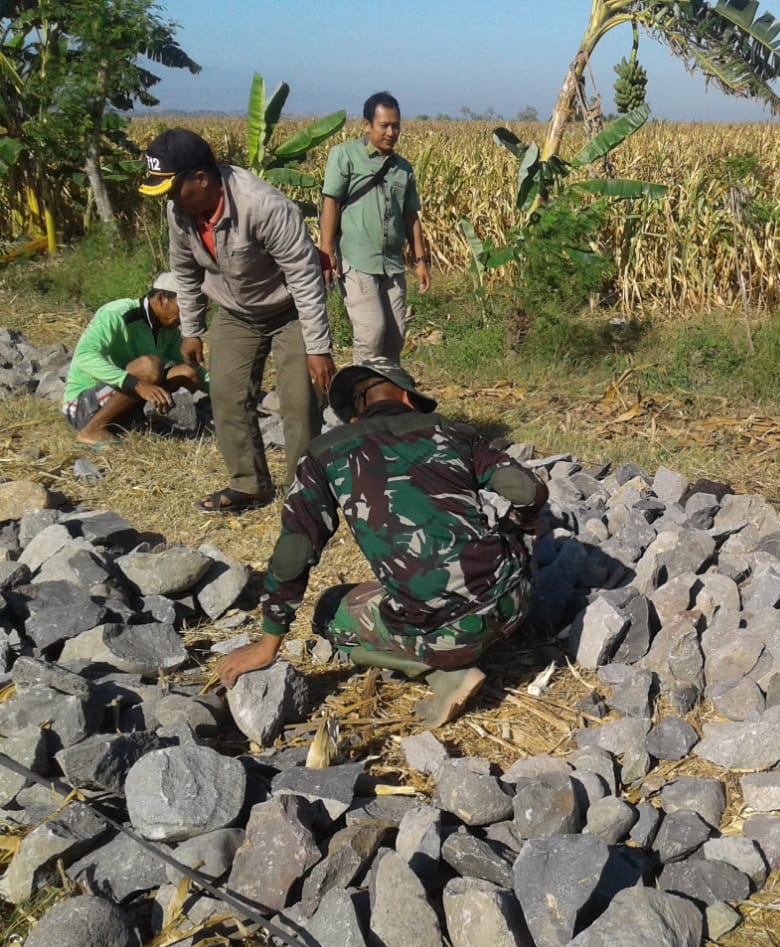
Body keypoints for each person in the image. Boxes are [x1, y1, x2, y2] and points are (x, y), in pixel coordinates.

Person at [217, 359, 547, 728]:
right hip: (516, 602)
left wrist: (269, 643)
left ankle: (443, 673)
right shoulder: (454, 432)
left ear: (355, 416)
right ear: (408, 398)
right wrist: (516, 532)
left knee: (329, 610)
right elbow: (530, 491)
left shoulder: (326, 453)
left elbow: (295, 552)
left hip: (444, 635)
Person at [139, 128, 336, 514]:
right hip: (235, 310)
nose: (170, 201)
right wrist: (192, 329)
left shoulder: (263, 206)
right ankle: (249, 484)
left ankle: (304, 492)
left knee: (300, 400)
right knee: (227, 393)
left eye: (174, 189)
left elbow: (305, 276)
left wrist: (317, 347)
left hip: (288, 308)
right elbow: (185, 269)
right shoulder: (179, 209)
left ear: (201, 179)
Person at [319, 91, 431, 364]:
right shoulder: (345, 156)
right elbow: (331, 203)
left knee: (395, 336)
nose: (391, 132)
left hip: (392, 263)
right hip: (357, 260)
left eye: (396, 125)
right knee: (371, 333)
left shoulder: (403, 168)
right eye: (384, 125)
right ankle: (361, 398)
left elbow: (410, 217)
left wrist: (420, 260)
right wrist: (325, 252)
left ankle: (387, 397)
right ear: (367, 125)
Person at [62, 271, 203, 447]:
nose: (188, 316)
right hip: (83, 406)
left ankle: (137, 420)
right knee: (150, 367)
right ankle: (91, 430)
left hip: (122, 402)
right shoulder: (118, 314)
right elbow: (83, 357)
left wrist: (230, 395)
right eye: (185, 308)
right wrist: (135, 383)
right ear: (161, 299)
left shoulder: (170, 330)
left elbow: (192, 368)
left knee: (187, 372)